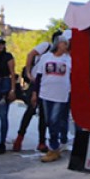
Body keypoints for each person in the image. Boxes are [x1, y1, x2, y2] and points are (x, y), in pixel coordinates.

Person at [12, 31, 63, 152]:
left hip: (48, 86)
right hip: (36, 82)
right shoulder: (46, 47)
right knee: (31, 109)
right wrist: (29, 73)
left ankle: (41, 142)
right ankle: (20, 138)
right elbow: (31, 55)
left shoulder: (60, 56)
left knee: (44, 115)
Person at [33, 33, 72, 163]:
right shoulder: (45, 57)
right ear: (58, 44)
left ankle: (54, 147)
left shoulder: (69, 59)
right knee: (49, 121)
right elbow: (39, 77)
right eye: (64, 43)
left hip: (60, 95)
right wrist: (35, 93)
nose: (66, 45)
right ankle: (54, 147)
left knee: (55, 120)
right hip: (45, 93)